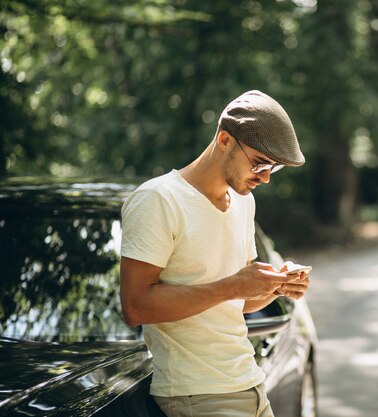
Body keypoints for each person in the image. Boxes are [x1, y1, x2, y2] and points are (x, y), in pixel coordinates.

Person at [119, 90, 310, 417]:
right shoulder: (159, 200)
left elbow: (237, 303)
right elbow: (135, 306)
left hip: (249, 384)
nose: (264, 178)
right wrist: (232, 286)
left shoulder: (243, 202)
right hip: (198, 395)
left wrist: (276, 287)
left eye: (273, 168)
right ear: (224, 140)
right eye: (260, 163)